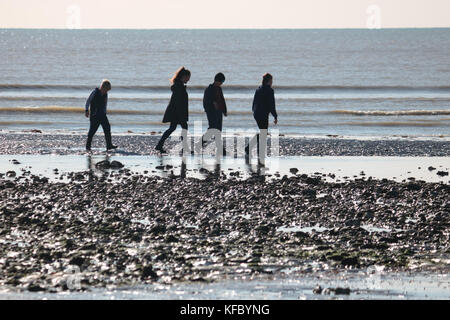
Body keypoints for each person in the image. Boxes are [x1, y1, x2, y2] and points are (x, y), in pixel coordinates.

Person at [155, 67, 191, 154]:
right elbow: (178, 102)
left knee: (172, 128)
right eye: (188, 77)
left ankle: (159, 145)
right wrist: (181, 114)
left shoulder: (179, 86)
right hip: (178, 112)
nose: (189, 79)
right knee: (183, 128)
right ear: (183, 77)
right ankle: (184, 148)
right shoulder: (179, 87)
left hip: (176, 112)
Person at [245, 73, 278, 164]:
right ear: (269, 81)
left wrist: (254, 111)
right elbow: (272, 104)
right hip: (263, 114)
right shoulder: (270, 90)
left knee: (263, 132)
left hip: (256, 113)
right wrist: (275, 116)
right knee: (263, 133)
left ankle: (252, 150)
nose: (272, 82)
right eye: (271, 81)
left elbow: (254, 102)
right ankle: (254, 151)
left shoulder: (259, 89)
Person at [196, 72, 227, 155]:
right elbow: (205, 101)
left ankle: (220, 148)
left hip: (219, 112)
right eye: (221, 82)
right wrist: (212, 104)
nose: (221, 84)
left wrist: (224, 110)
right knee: (212, 129)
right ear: (217, 81)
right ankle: (199, 144)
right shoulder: (209, 89)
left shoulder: (219, 89)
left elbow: (222, 100)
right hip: (211, 112)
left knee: (218, 130)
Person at [85, 79, 118, 151]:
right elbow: (88, 101)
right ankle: (88, 146)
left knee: (107, 128)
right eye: (106, 90)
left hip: (102, 115)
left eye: (107, 91)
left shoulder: (106, 94)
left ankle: (109, 145)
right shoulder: (95, 92)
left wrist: (105, 112)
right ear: (102, 87)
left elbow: (105, 104)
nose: (106, 92)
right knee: (92, 131)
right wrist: (86, 110)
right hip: (94, 115)